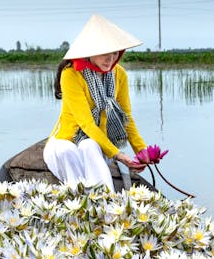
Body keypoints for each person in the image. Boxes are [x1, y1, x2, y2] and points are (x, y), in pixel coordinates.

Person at [44, 14, 149, 191]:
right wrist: (119, 155)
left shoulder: (119, 74)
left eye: (115, 53)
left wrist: (142, 151)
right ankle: (79, 198)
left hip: (100, 144)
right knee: (67, 150)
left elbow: (126, 117)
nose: (111, 59)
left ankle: (105, 199)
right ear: (89, 52)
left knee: (89, 145)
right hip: (68, 142)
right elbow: (86, 124)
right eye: (104, 54)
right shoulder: (71, 74)